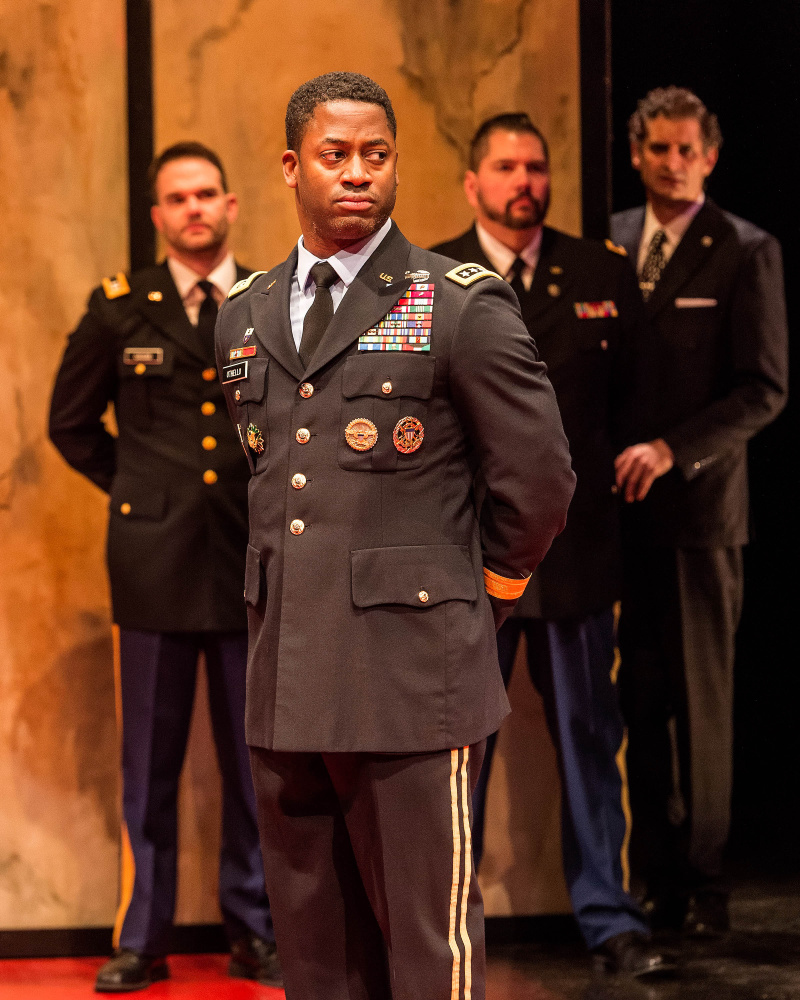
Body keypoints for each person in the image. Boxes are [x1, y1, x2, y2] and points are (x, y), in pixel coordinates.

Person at [214, 73, 575, 1000]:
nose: (358, 175)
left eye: (377, 156)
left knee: (426, 949)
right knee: (316, 955)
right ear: (293, 166)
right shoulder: (243, 314)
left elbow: (538, 482)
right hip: (288, 673)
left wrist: (485, 598)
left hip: (413, 671)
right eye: (335, 156)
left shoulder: (459, 303)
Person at [432, 114, 669, 977]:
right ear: (473, 183)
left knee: (589, 737)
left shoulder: (600, 274)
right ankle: (447, 916)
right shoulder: (430, 277)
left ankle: (611, 917)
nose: (523, 180)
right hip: (463, 562)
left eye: (535, 166)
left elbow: (636, 407)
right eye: (504, 167)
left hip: (575, 559)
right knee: (455, 748)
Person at [49, 143, 281, 992]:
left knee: (258, 765)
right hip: (152, 570)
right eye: (177, 198)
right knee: (147, 768)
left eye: (207, 194)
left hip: (251, 563)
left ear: (232, 202)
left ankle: (254, 929)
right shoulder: (119, 309)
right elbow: (68, 422)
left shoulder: (269, 301)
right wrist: (137, 493)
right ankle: (142, 936)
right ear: (157, 215)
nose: (194, 209)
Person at [611, 87, 788, 936]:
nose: (673, 164)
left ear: (710, 158)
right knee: (638, 700)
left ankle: (705, 881)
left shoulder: (744, 250)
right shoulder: (610, 243)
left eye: (688, 150)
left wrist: (673, 450)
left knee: (700, 702)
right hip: (622, 518)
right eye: (659, 149)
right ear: (637, 154)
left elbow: (765, 389)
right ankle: (654, 878)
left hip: (701, 516)